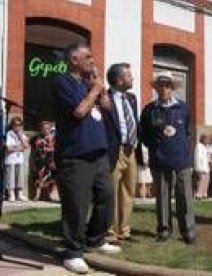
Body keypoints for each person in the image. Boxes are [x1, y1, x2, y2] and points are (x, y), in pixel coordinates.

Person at [54, 42, 120, 274]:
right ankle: (72, 252)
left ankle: (96, 238)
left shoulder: (87, 83)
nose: (93, 60)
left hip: (98, 153)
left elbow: (106, 107)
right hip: (76, 155)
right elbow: (80, 112)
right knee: (77, 205)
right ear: (74, 60)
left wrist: (99, 88)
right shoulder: (63, 82)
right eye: (88, 57)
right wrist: (95, 89)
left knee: (107, 197)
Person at [140, 70, 195, 244]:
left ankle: (187, 231)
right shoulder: (149, 110)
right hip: (160, 159)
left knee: (184, 196)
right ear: (156, 87)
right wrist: (155, 148)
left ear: (172, 88)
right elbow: (145, 134)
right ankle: (164, 229)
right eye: (161, 85)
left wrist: (186, 152)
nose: (164, 88)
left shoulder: (184, 108)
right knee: (162, 197)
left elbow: (188, 132)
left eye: (168, 85)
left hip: (181, 160)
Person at [102, 63, 139, 243]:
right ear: (119, 80)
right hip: (114, 150)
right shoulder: (105, 98)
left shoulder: (131, 98)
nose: (132, 78)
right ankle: (109, 230)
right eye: (129, 75)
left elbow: (133, 121)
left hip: (131, 149)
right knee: (112, 191)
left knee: (129, 190)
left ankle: (124, 230)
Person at [4, 116, 29, 201]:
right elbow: (8, 148)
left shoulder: (22, 134)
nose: (17, 127)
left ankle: (20, 194)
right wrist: (19, 147)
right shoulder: (9, 133)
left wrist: (20, 137)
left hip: (19, 159)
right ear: (12, 125)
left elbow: (26, 146)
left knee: (20, 177)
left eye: (19, 125)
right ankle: (11, 194)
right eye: (16, 125)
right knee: (10, 177)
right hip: (10, 159)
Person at [33, 121, 56, 201]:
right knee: (40, 177)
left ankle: (47, 195)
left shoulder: (53, 138)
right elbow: (39, 149)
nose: (45, 130)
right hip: (41, 161)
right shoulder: (39, 138)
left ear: (50, 129)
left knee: (50, 178)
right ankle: (38, 195)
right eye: (44, 129)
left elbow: (55, 148)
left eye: (47, 128)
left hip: (51, 161)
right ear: (41, 129)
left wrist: (50, 149)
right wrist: (49, 149)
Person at [194, 134, 210, 199]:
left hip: (206, 167)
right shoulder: (199, 146)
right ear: (203, 139)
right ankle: (198, 194)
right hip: (201, 167)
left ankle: (204, 193)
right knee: (201, 180)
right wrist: (200, 168)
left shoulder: (205, 146)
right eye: (206, 139)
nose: (207, 141)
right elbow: (199, 157)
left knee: (206, 180)